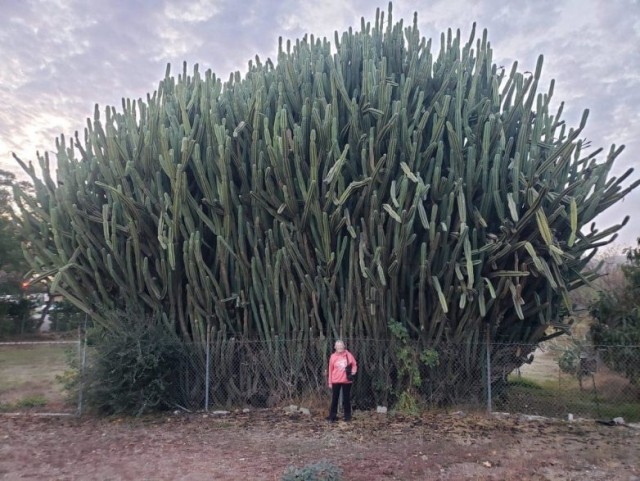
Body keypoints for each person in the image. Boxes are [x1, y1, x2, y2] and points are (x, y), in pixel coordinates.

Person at [326, 340, 357, 422]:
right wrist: (330, 382)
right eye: (338, 346)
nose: (339, 347)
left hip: (346, 380)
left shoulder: (348, 354)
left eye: (341, 346)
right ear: (335, 347)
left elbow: (354, 364)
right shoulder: (333, 357)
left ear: (344, 346)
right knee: (334, 398)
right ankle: (332, 416)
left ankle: (347, 416)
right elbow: (330, 369)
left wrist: (353, 372)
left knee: (346, 399)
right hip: (335, 380)